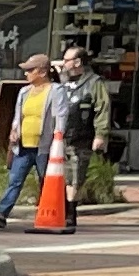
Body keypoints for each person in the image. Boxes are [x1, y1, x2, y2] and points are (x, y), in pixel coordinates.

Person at [0, 55, 56, 228]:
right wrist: (14, 130)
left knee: (46, 181)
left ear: (43, 72)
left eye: (31, 70)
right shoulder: (25, 92)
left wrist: (59, 138)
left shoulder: (55, 91)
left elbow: (60, 116)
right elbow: (18, 116)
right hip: (24, 145)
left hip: (45, 145)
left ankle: (51, 213)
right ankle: (2, 214)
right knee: (15, 180)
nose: (26, 73)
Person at [47, 46, 101, 232]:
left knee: (75, 175)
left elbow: (102, 109)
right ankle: (61, 210)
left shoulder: (93, 83)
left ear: (77, 62)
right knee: (60, 175)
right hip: (60, 137)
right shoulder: (61, 82)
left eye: (66, 60)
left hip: (81, 136)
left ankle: (71, 213)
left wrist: (101, 134)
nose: (63, 63)